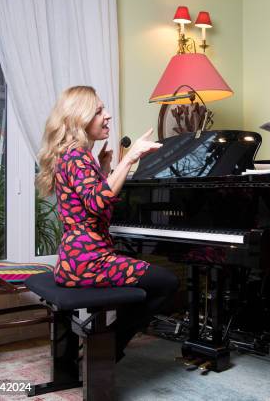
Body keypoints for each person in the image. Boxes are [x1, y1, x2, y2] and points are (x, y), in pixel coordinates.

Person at [36, 85, 179, 360]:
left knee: (146, 279)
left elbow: (84, 201)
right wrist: (130, 158)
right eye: (99, 110)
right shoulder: (76, 156)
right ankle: (109, 348)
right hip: (87, 262)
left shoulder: (73, 155)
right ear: (80, 118)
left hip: (74, 259)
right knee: (166, 282)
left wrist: (102, 170)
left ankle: (104, 345)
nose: (108, 115)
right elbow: (98, 202)